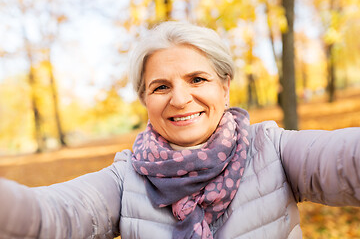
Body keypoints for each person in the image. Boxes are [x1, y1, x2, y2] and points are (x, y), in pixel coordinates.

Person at [1, 21, 360, 239]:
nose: (180, 98)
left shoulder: (272, 149)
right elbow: (53, 216)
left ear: (224, 88)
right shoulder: (127, 178)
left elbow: (347, 161)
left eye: (197, 79)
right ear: (145, 100)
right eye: (161, 87)